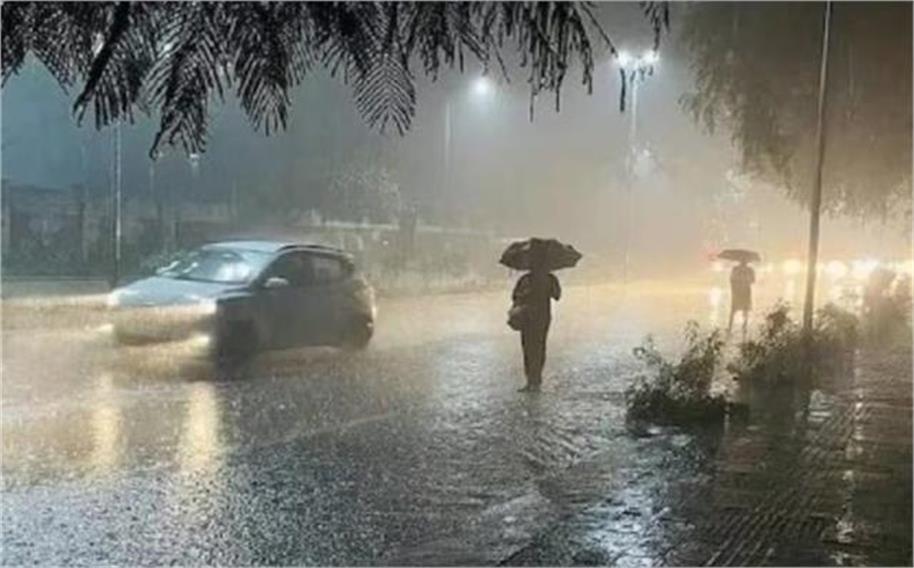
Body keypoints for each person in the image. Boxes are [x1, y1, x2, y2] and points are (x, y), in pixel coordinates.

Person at [512, 249, 561, 392]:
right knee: (538, 348)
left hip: (528, 318)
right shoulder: (550, 278)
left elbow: (515, 297)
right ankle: (535, 379)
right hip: (541, 317)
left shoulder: (525, 279)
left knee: (528, 348)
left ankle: (531, 380)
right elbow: (557, 296)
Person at [728, 259, 755, 335]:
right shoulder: (735, 269)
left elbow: (753, 280)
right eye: (742, 260)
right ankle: (730, 327)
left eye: (745, 260)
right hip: (737, 291)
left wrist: (747, 278)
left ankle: (744, 326)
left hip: (746, 291)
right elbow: (731, 279)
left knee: (745, 309)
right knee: (733, 309)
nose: (743, 262)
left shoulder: (750, 270)